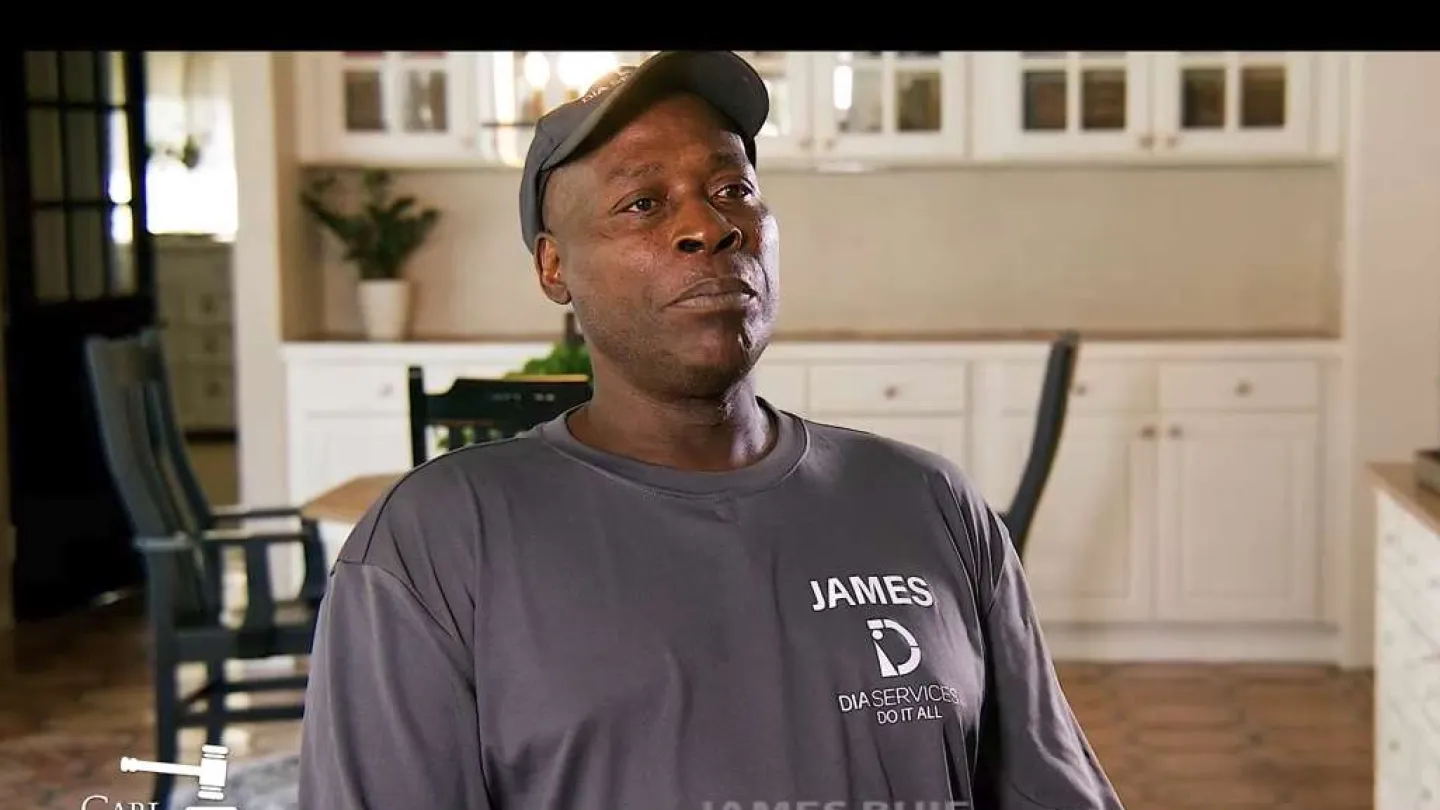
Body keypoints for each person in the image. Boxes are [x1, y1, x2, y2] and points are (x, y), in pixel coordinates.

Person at [298, 50, 1123, 810]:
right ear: (555, 268)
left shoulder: (929, 503)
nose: (710, 227)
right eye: (642, 203)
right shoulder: (434, 544)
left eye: (732, 190)